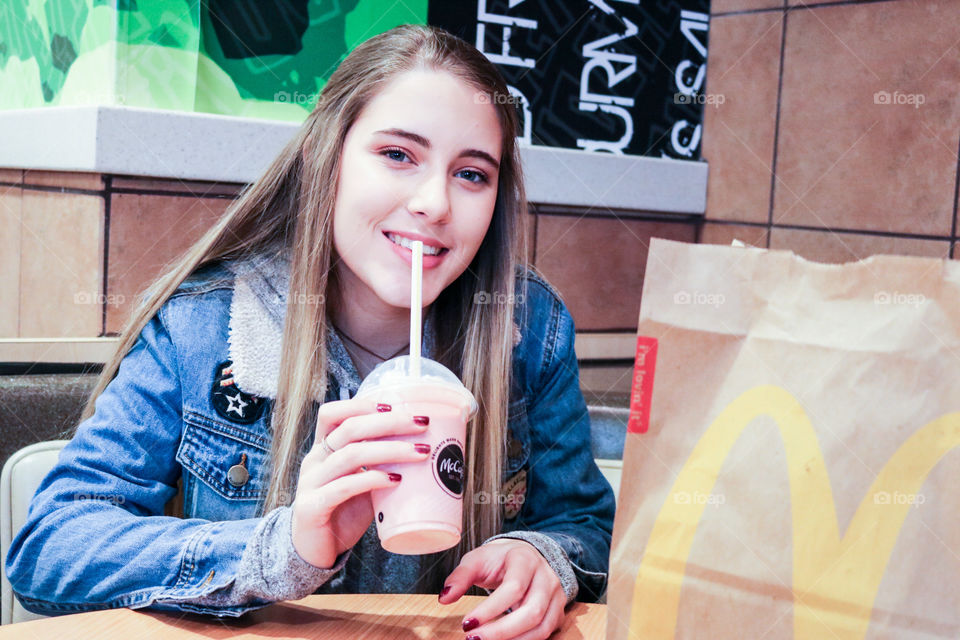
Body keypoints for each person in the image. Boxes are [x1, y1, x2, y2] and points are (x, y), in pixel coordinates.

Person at [5, 24, 615, 640]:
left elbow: (585, 520)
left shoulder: (529, 330)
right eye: (398, 155)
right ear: (328, 157)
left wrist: (548, 557)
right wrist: (285, 548)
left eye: (472, 174)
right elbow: (50, 550)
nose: (435, 202)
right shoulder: (203, 324)